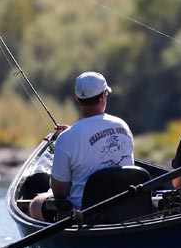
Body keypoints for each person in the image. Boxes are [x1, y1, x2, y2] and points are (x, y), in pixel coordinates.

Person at [48, 71, 135, 210]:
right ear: (102, 97)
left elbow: (59, 194)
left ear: (77, 98)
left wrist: (67, 135)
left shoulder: (66, 139)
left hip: (85, 217)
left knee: (36, 204)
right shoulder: (122, 126)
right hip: (127, 210)